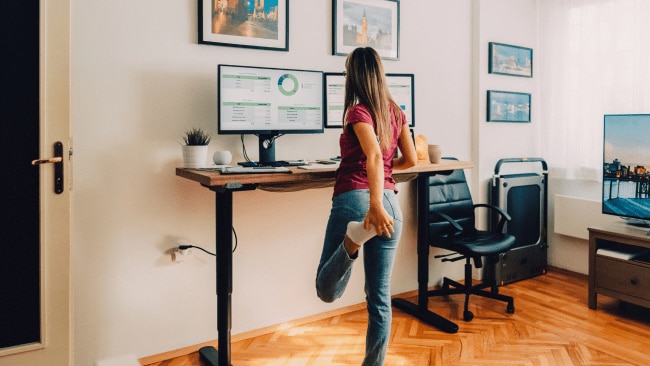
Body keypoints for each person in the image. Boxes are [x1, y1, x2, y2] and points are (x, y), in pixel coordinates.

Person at [315, 47, 418, 366]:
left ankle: (353, 239)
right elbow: (411, 160)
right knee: (379, 298)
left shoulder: (357, 112)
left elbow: (372, 154)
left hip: (359, 200)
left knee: (326, 289)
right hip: (392, 205)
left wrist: (373, 205)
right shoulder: (397, 112)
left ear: (353, 76)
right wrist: (387, 173)